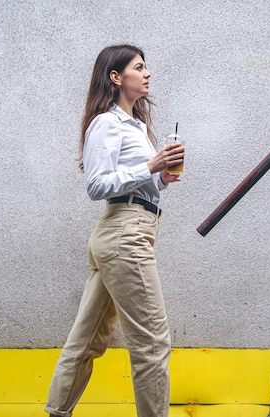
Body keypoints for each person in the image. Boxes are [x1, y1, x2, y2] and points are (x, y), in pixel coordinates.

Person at [45, 44, 185, 417]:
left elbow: (135, 184)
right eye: (139, 67)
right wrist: (150, 165)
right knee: (153, 345)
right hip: (126, 235)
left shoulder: (135, 126)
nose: (147, 73)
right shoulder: (107, 123)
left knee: (86, 340)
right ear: (116, 77)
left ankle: (57, 412)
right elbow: (96, 186)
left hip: (124, 233)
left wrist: (162, 177)